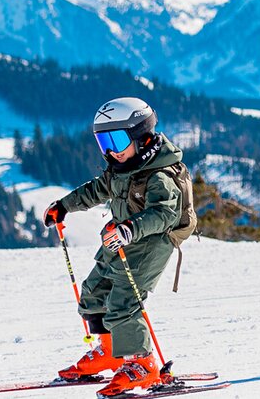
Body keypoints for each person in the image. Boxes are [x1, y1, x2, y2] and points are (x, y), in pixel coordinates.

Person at [42, 97, 195, 396]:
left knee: (124, 301)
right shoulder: (121, 168)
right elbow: (97, 190)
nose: (110, 150)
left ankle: (143, 365)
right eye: (103, 142)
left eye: (116, 139)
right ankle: (110, 351)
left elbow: (165, 213)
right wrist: (64, 206)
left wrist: (130, 229)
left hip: (152, 240)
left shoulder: (160, 174)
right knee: (94, 291)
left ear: (142, 138)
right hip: (121, 237)